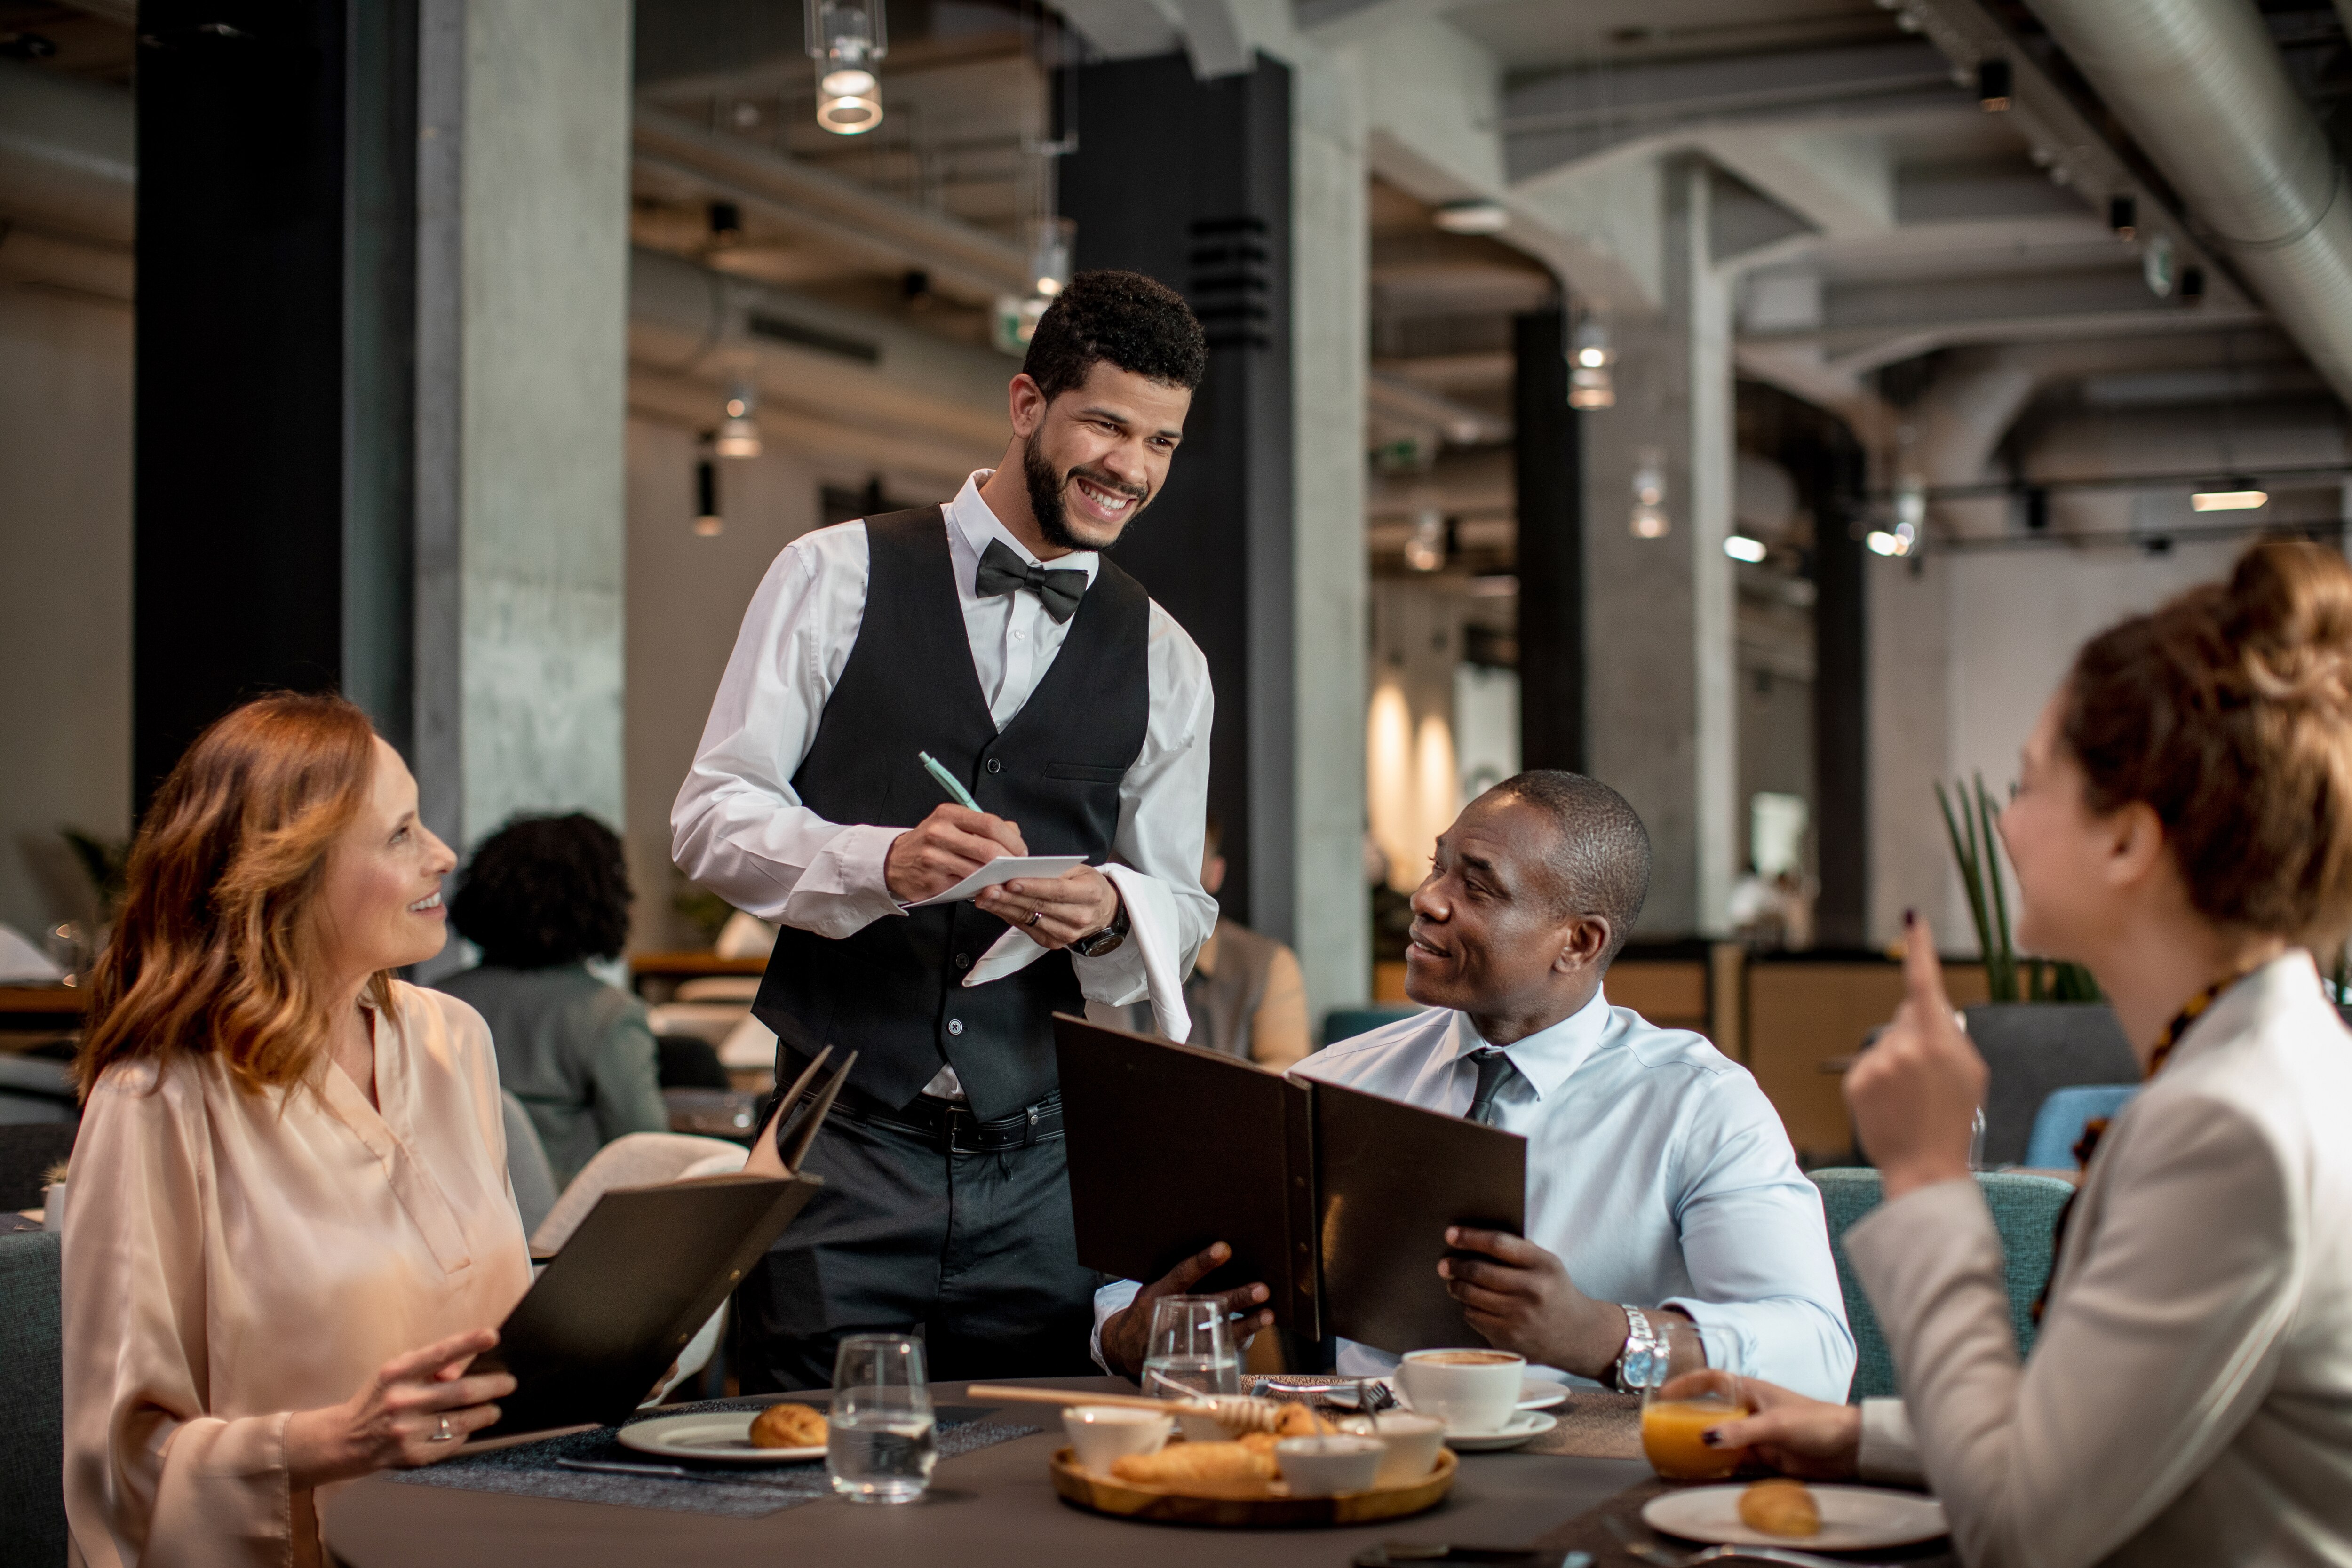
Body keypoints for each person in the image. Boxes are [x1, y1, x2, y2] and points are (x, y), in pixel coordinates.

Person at [1703, 542, 2352, 1567]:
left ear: (2127, 842)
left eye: (2029, 784)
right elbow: (2108, 1428)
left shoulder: (2230, 1121)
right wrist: (1858, 1431)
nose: (2003, 825)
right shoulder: (2265, 1061)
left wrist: (1922, 1180)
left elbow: (2025, 1527)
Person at [672, 269, 1217, 1388]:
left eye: (1160, 442)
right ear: (1028, 406)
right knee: (805, 1483)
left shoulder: (1167, 657)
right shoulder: (831, 576)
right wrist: (879, 862)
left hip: (1049, 1163)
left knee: (1027, 1494)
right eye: (1106, 423)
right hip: (842, 1145)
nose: (1132, 466)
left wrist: (1115, 910)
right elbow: (710, 817)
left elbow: (1183, 904)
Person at [1096, 770, 1855, 1402]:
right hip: (1365, 1478)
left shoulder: (1698, 1103)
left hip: (1601, 1490)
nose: (1428, 898)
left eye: (1479, 886)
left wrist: (1603, 1335)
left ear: (1580, 941)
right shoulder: (1332, 1084)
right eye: (1438, 865)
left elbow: (1818, 1353)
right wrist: (1128, 1332)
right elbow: (1139, 1289)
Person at [62, 695, 529, 1566]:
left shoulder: (452, 1038)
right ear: (290, 874)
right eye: (400, 835)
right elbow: (119, 1473)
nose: (444, 855)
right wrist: (329, 1442)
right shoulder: (157, 1103)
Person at [437, 812, 668, 1185]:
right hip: (569, 1230)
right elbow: (648, 1151)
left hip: (456, 1217)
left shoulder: (436, 1000)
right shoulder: (609, 1014)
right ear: (604, 901)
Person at [1095, 813, 1310, 1071]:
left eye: (1186, 859)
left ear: (1215, 874)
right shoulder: (1093, 957)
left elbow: (1287, 1069)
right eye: (1149, 854)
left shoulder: (1268, 964)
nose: (1162, 874)